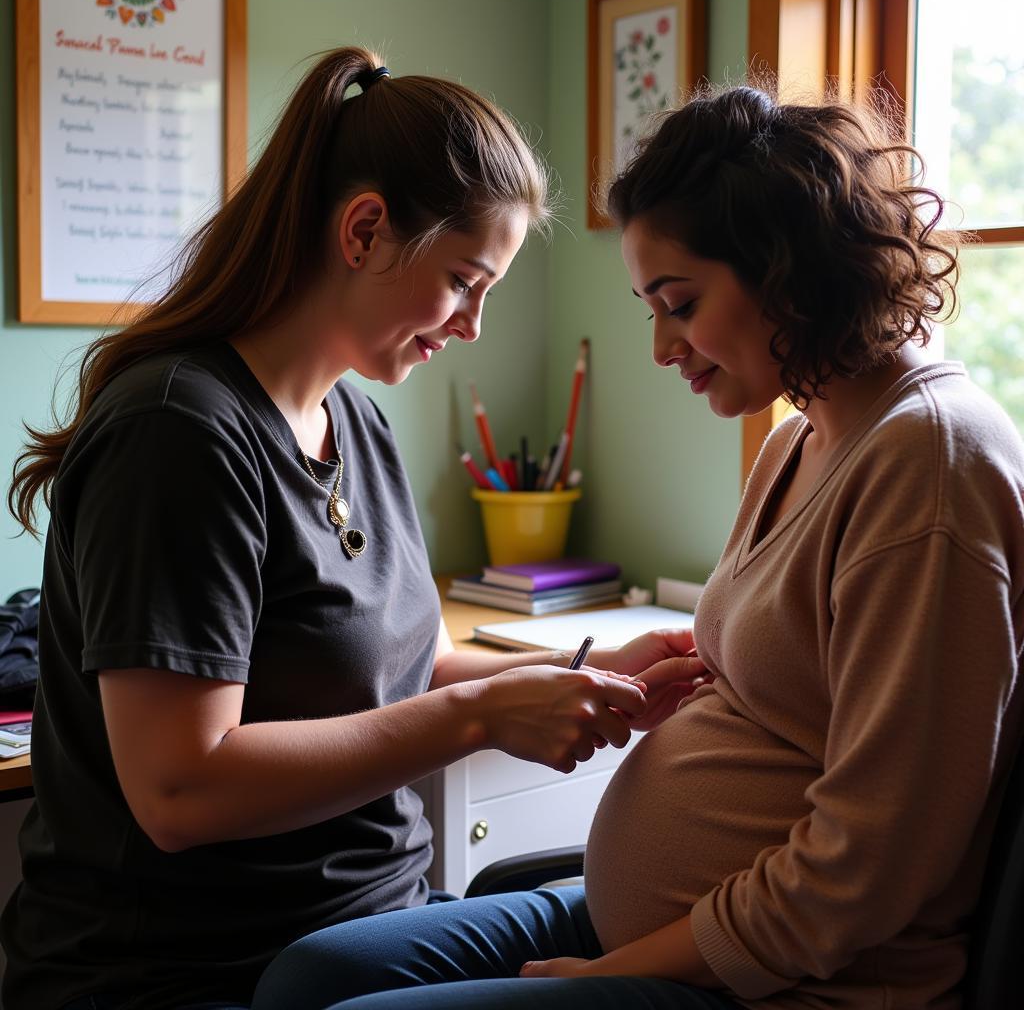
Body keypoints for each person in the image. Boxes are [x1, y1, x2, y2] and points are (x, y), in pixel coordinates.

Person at [248, 84, 1024, 1010]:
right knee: (307, 979)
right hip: (653, 926)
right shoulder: (800, 437)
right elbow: (783, 701)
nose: (662, 346)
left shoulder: (929, 463)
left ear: (789, 272)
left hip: (795, 984)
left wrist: (619, 973)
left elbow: (872, 859)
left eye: (680, 303)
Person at [1, 47, 716, 1010]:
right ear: (366, 229)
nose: (472, 326)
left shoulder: (357, 419)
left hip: (373, 925)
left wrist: (590, 670)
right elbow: (179, 790)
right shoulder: (177, 432)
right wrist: (478, 719)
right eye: (466, 280)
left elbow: (393, 673)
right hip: (192, 971)